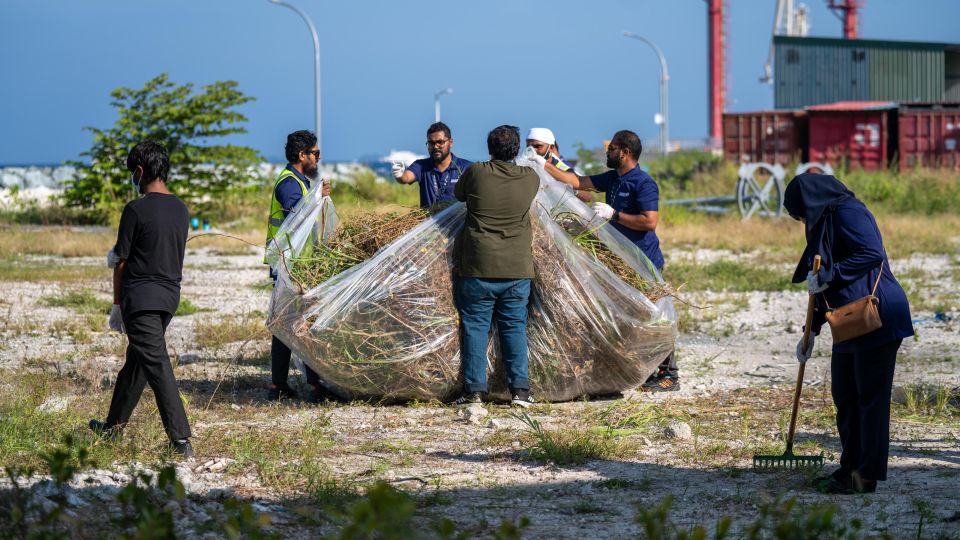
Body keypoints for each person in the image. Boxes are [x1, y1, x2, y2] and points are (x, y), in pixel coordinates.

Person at [785, 173, 913, 495]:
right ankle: (849, 468)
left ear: (811, 201)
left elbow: (872, 252)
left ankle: (865, 477)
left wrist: (832, 275)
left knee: (870, 400)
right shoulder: (823, 220)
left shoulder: (848, 211)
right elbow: (820, 283)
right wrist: (811, 331)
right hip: (848, 320)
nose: (802, 219)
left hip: (877, 314)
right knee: (845, 395)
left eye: (800, 213)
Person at [533, 130, 679, 391]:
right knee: (627, 315)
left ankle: (669, 374)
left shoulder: (642, 183)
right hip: (618, 258)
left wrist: (614, 214)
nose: (607, 152)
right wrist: (541, 163)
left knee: (654, 315)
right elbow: (576, 182)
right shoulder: (612, 178)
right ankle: (641, 367)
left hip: (643, 261)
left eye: (611, 149)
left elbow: (649, 221)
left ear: (624, 152)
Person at [89, 141, 194, 458]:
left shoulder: (135, 210)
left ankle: (180, 441)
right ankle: (111, 430)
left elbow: (120, 261)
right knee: (135, 367)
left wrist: (117, 304)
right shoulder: (181, 209)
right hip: (168, 298)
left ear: (139, 171)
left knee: (157, 367)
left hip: (140, 300)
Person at [453, 125, 540, 407]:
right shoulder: (530, 177)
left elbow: (458, 195)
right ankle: (520, 392)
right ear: (516, 150)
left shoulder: (477, 172)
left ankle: (475, 392)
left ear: (489, 147)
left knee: (476, 327)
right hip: (517, 269)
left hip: (479, 266)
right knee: (514, 327)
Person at [264, 130, 332, 403]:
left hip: (298, 263)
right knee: (304, 324)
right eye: (315, 153)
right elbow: (299, 216)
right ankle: (314, 386)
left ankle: (278, 385)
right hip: (291, 265)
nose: (318, 158)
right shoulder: (290, 183)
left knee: (288, 324)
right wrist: (318, 197)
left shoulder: (301, 181)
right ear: (301, 155)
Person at [392, 122, 473, 208]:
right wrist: (399, 174)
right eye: (431, 143)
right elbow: (406, 178)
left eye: (440, 142)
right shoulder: (421, 165)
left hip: (457, 220)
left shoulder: (466, 167)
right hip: (429, 219)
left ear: (451, 142)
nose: (435, 146)